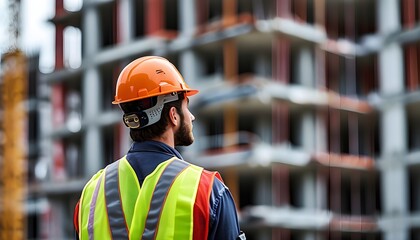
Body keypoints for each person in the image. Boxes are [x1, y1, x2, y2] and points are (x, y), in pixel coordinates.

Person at [73, 56, 245, 240]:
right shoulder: (207, 191)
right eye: (187, 107)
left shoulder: (90, 195)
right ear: (174, 116)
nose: (192, 116)